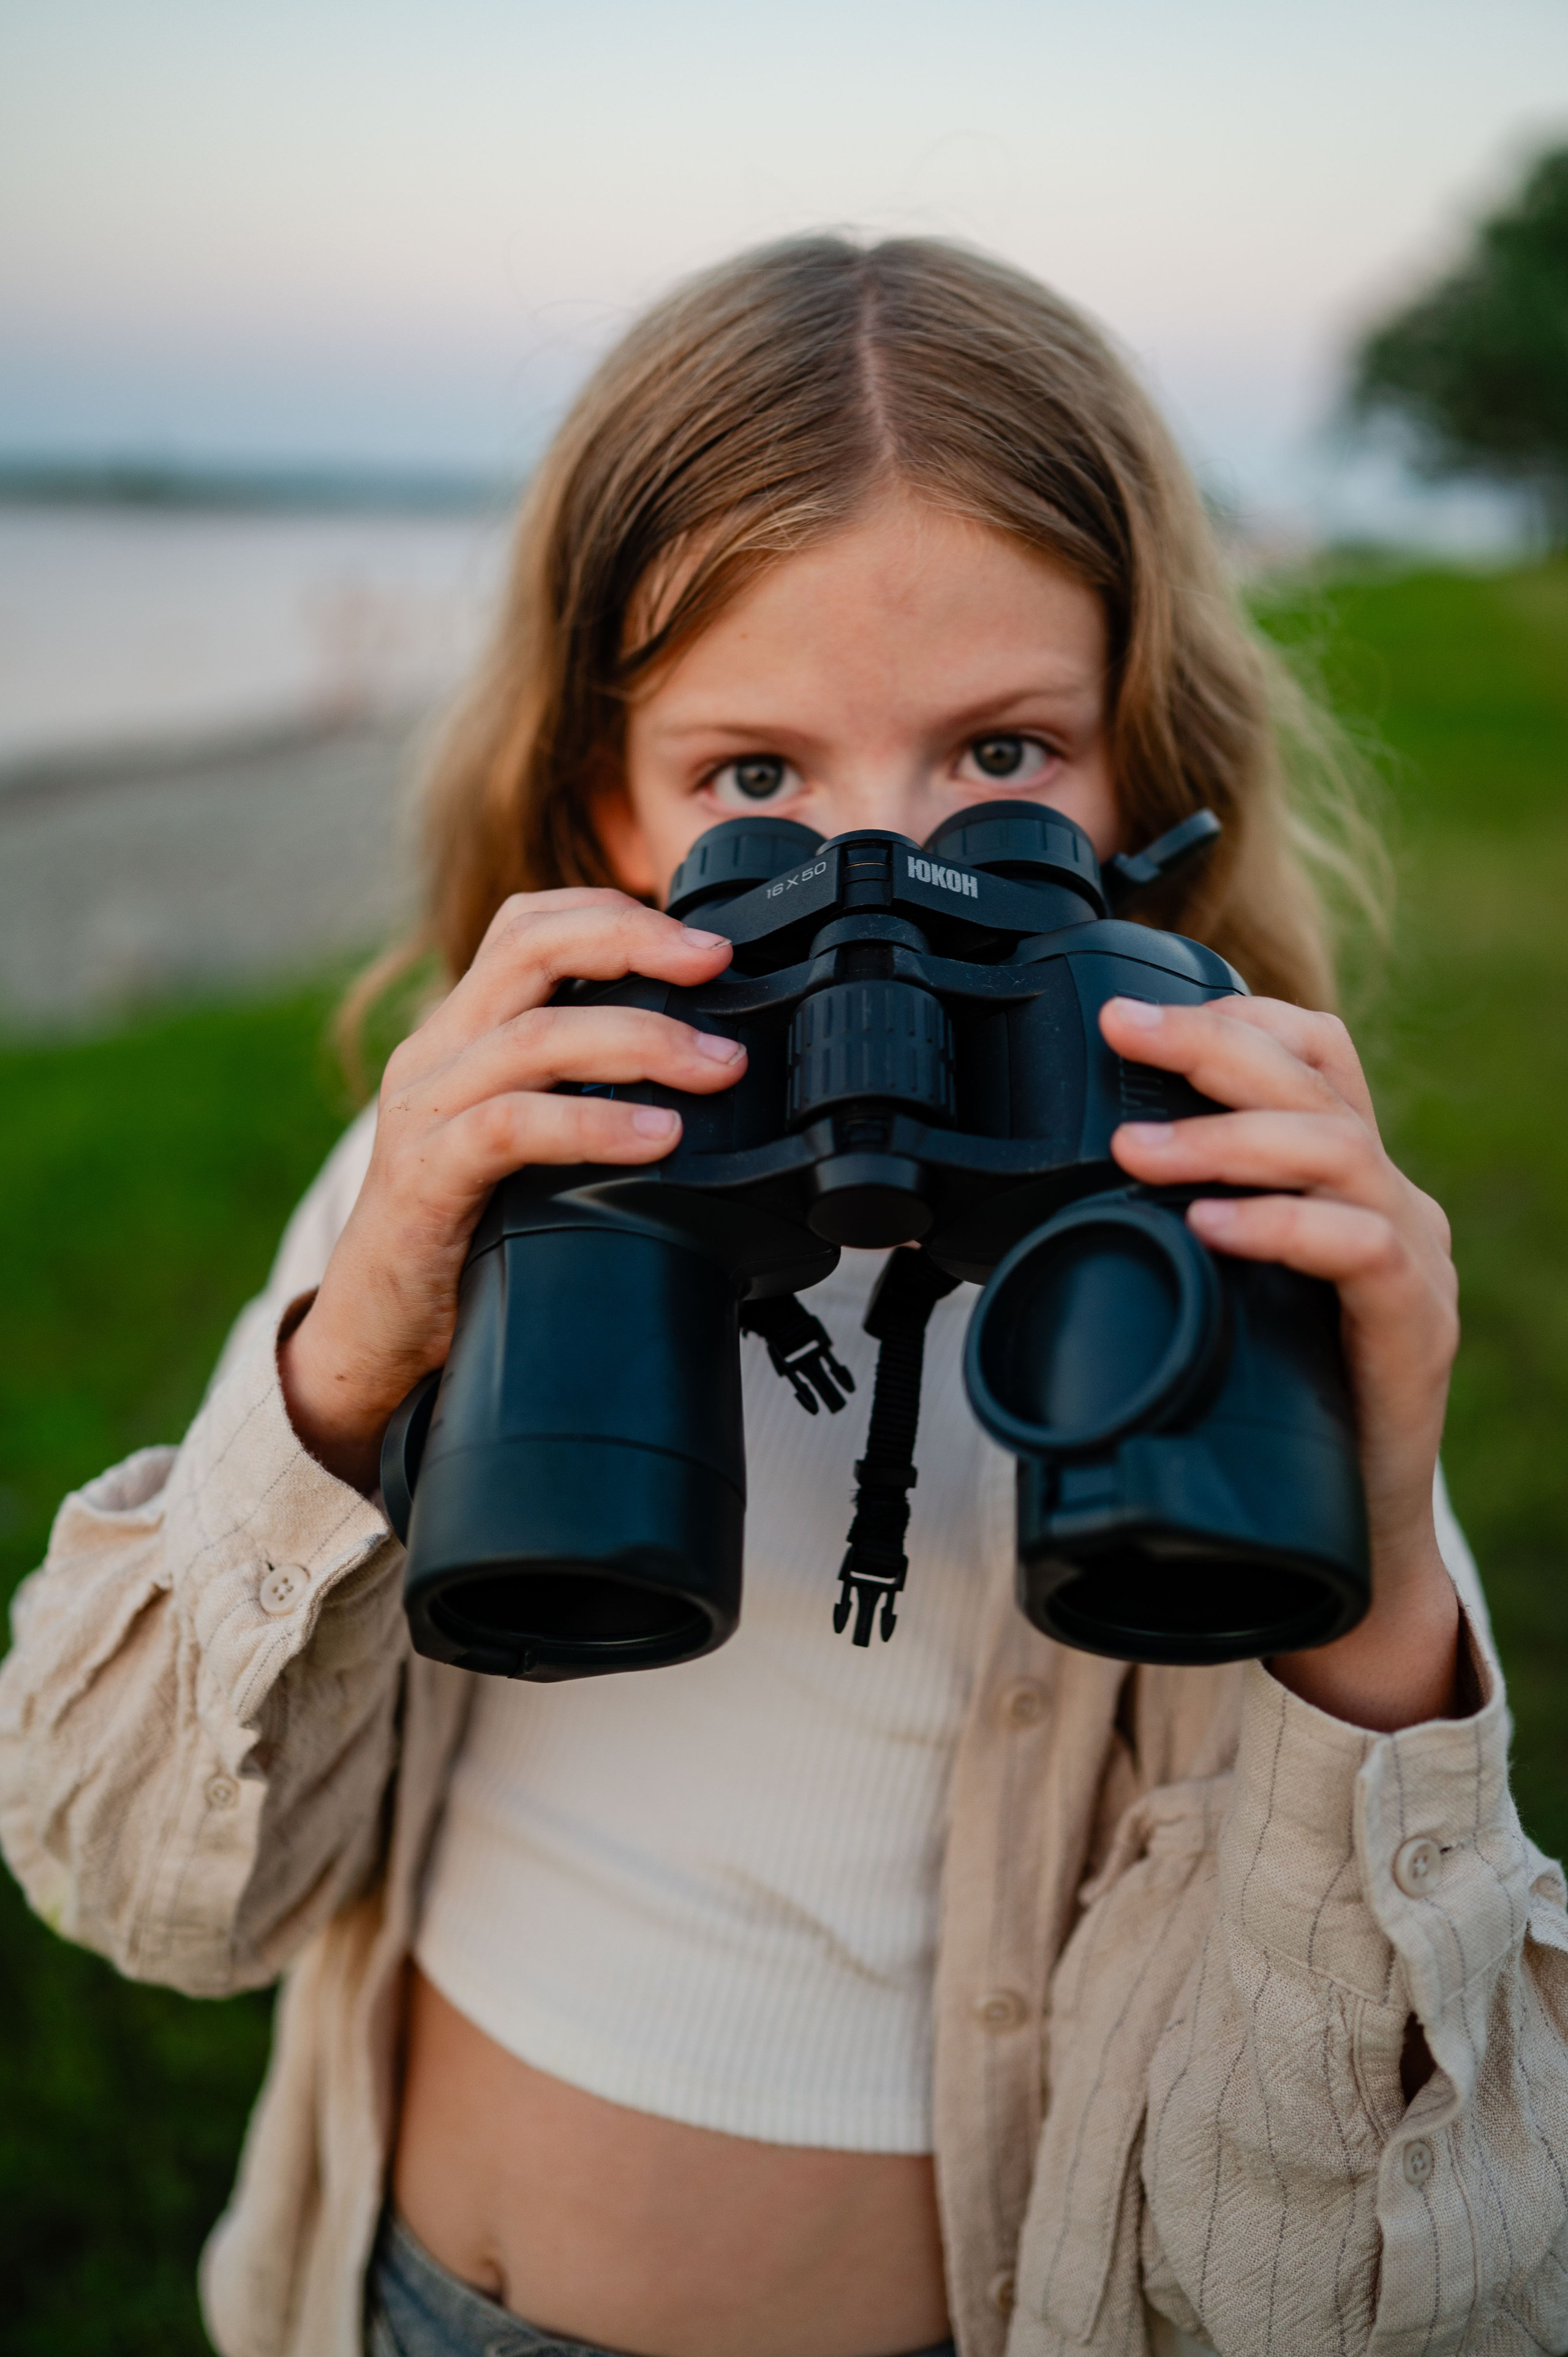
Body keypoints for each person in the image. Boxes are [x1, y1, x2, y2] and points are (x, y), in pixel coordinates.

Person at [2, 236, 1566, 2357]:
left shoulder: (1221, 1224)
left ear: (1142, 788)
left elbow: (1382, 2286)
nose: (875, 886)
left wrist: (1371, 1570)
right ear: (599, 813)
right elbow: (146, 1888)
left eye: (1003, 766)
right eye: (754, 787)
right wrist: (361, 1350)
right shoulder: (467, 1182)